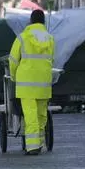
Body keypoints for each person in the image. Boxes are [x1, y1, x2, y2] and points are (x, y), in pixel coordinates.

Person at [9, 10, 55, 155]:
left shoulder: (22, 38)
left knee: (30, 115)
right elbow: (51, 59)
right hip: (44, 83)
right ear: (43, 22)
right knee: (42, 115)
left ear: (30, 21)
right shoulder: (50, 39)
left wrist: (13, 76)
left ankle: (32, 146)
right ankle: (39, 142)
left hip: (26, 85)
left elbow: (13, 60)